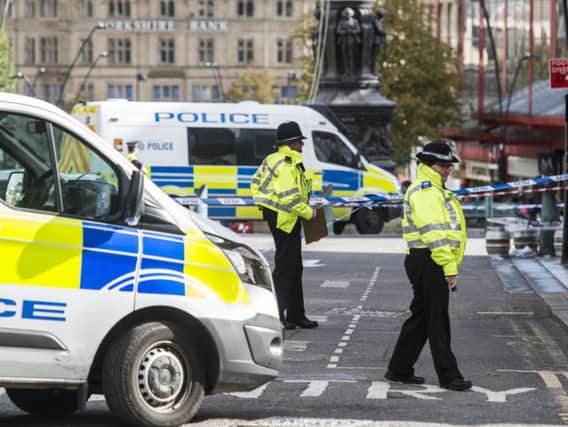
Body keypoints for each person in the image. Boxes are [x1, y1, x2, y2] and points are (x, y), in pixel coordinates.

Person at [385, 140, 472, 391]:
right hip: (430, 259)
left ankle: (399, 369)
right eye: (443, 166)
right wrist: (449, 267)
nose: (448, 170)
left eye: (449, 166)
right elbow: (434, 233)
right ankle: (449, 375)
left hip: (427, 258)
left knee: (422, 318)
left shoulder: (434, 189)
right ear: (430, 166)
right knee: (437, 320)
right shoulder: (426, 191)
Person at [251, 121, 319, 330]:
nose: (302, 145)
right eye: (300, 141)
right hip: (284, 218)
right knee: (285, 269)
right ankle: (278, 315)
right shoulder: (286, 163)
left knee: (294, 267)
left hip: (284, 217)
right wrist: (310, 213)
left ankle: (296, 315)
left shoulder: (278, 159)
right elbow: (290, 198)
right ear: (291, 143)